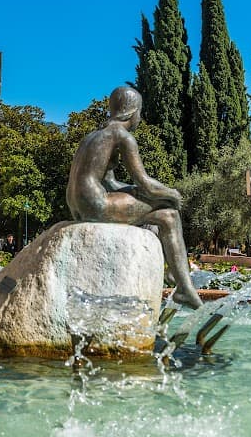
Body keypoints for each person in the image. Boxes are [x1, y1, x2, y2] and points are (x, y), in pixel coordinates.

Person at [66, 86, 202, 310]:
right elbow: (145, 183)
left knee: (163, 217)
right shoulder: (123, 136)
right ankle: (184, 287)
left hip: (77, 204)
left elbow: (111, 183)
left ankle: (177, 279)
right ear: (132, 111)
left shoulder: (93, 136)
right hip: (96, 204)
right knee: (171, 213)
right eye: (140, 111)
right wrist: (171, 193)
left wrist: (136, 191)